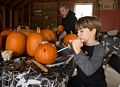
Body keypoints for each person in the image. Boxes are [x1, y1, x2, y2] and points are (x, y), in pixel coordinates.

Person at [67, 16, 107, 87]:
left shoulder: (99, 49)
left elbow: (89, 70)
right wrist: (72, 49)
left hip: (94, 84)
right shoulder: (82, 45)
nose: (78, 34)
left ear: (93, 31)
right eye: (77, 32)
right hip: (81, 79)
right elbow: (75, 60)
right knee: (65, 83)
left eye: (81, 31)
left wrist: (78, 50)